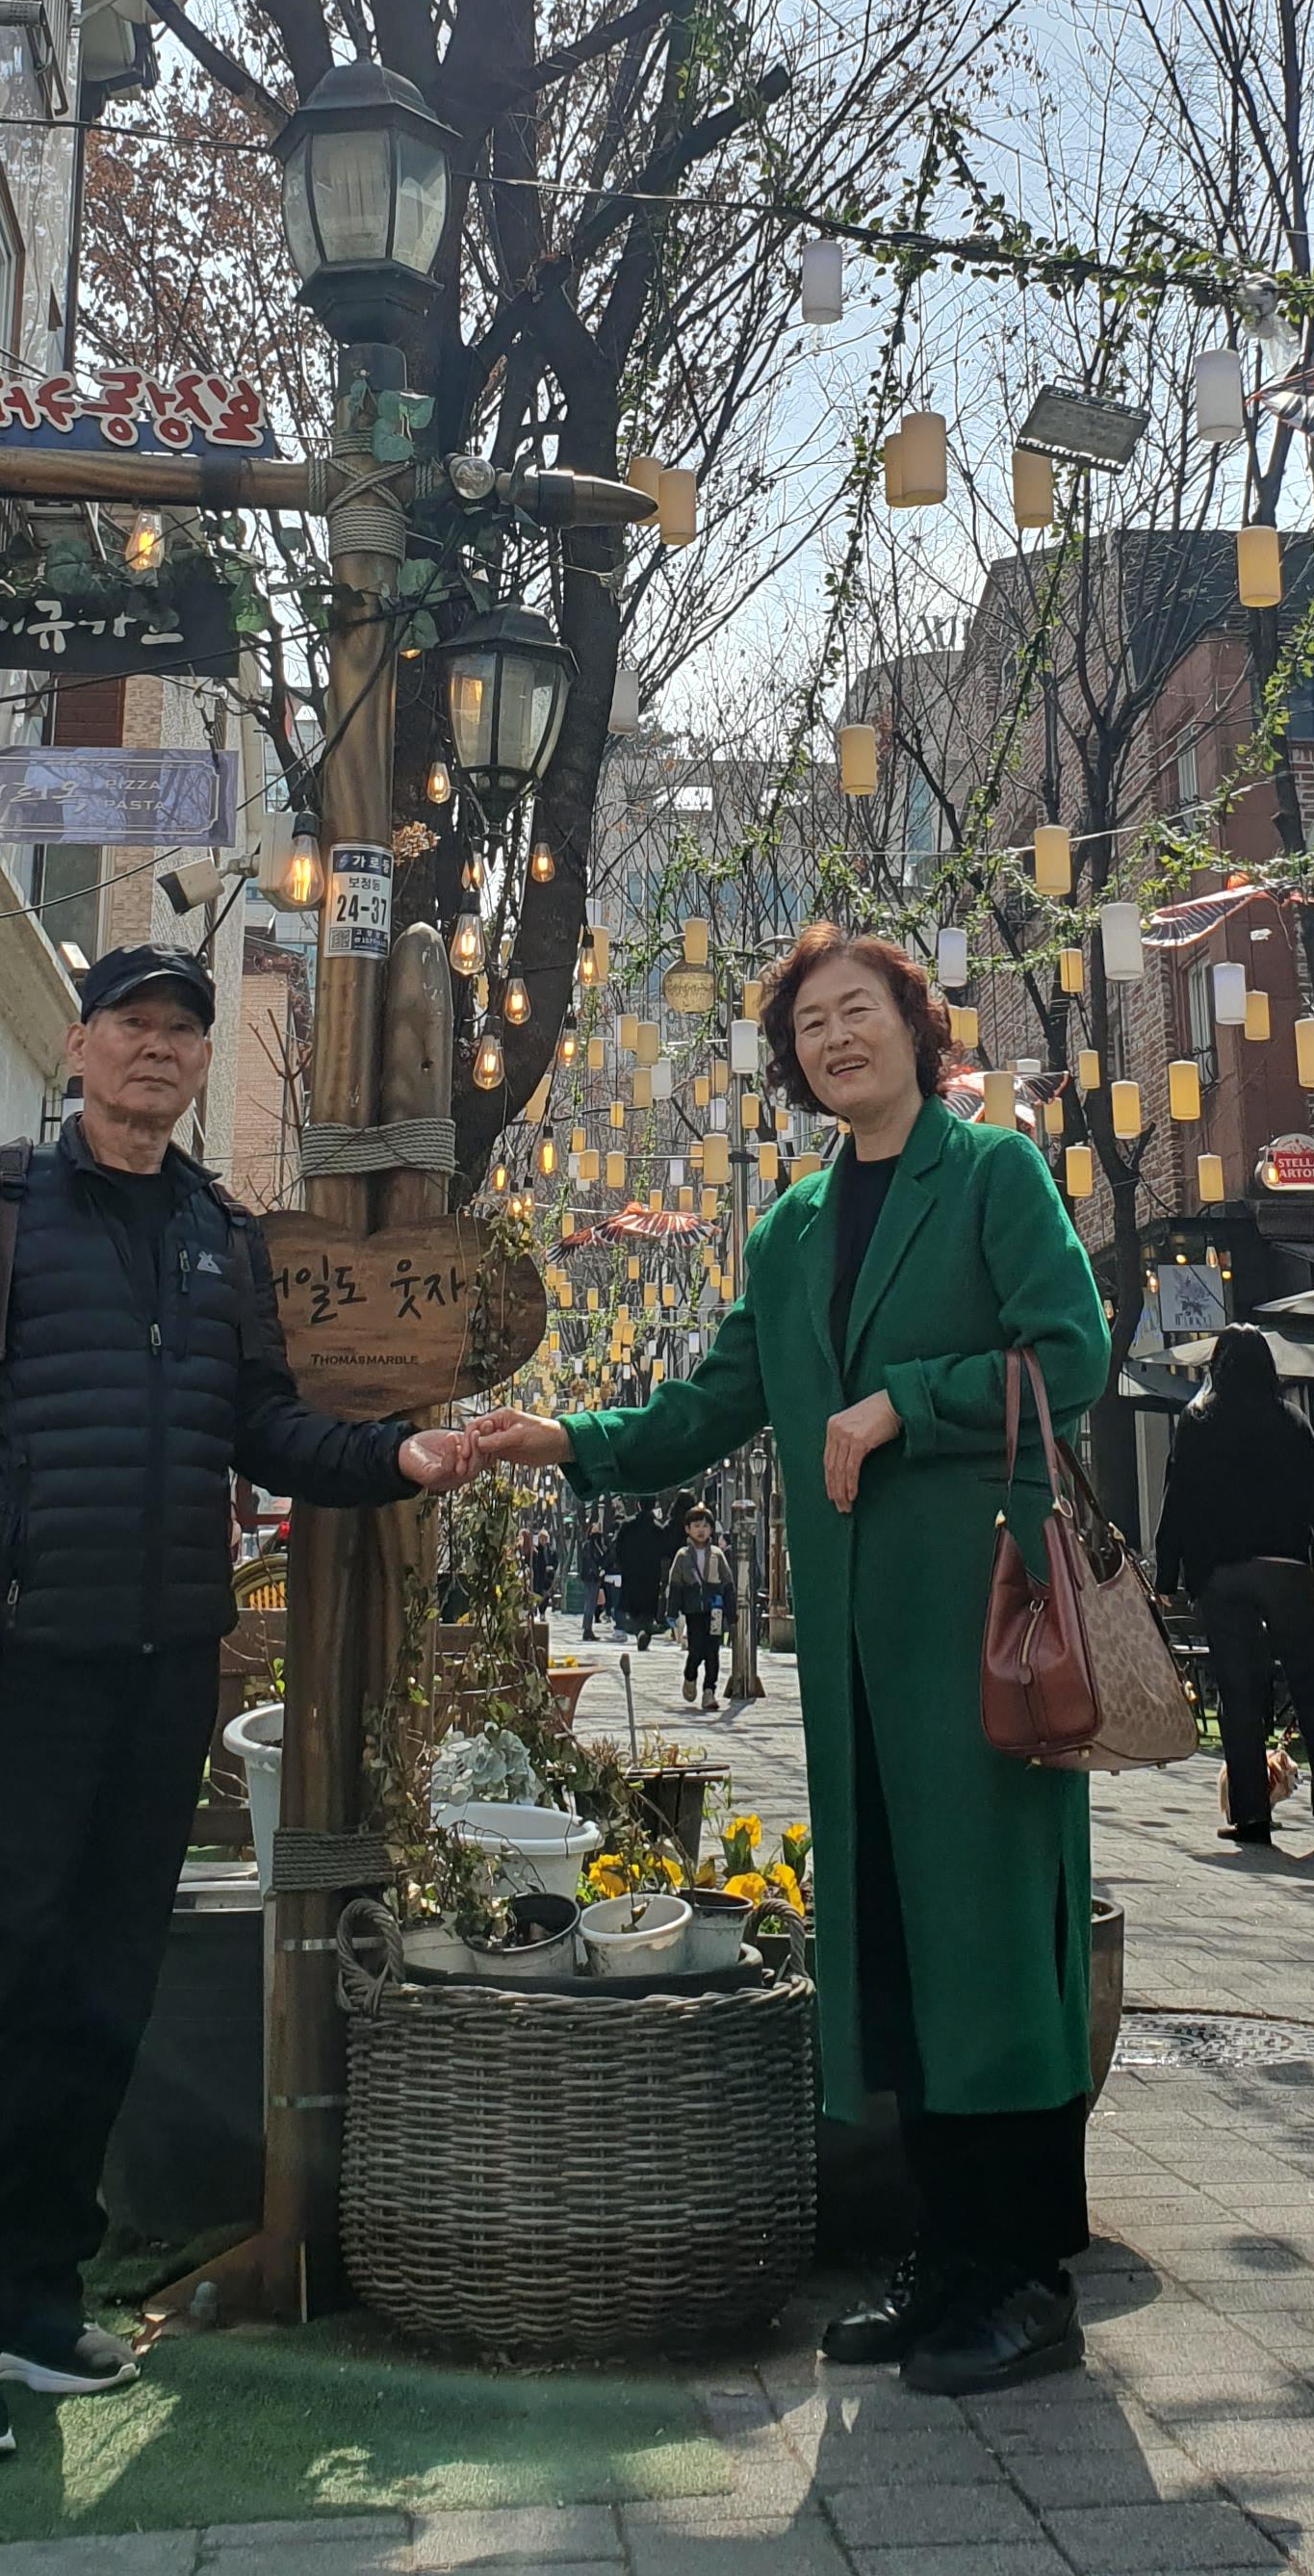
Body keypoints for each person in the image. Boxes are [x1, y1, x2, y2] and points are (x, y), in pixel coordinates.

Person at [474, 927, 1111, 2399]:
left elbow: (1070, 1356)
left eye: (858, 1011)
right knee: (897, 1948)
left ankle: (1024, 2277)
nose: (836, 1039)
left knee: (993, 1943)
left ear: (917, 1028)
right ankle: (947, 2259)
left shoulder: (994, 1176)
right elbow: (706, 1409)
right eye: (810, 1025)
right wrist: (563, 1438)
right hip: (854, 1659)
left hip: (984, 1635)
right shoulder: (791, 1229)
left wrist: (902, 1404)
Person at [0, 942, 476, 2470]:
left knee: (105, 1988)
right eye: (131, 1024)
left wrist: (392, 1458)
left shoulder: (218, 1235)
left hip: (165, 1665)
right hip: (24, 1663)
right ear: (78, 1046)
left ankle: (35, 2292)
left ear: (203, 1065)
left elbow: (258, 1425)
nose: (157, 1049)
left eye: (182, 1032)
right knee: (1, 1990)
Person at [1152, 1326, 1314, 1849]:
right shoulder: (1290, 1420)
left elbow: (1178, 1499)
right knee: (1311, 1683)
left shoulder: (1197, 1421)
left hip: (1219, 1571)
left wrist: (1167, 1575)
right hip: (1284, 1566)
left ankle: (1250, 1814)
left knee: (1238, 1693)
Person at [664, 1505, 735, 1710]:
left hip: (715, 1611)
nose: (701, 1530)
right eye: (696, 1526)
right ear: (688, 1529)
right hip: (693, 1611)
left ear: (711, 1529)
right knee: (695, 1649)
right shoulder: (682, 1556)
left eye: (705, 1526)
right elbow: (675, 1585)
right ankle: (690, 1676)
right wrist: (671, 1611)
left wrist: (731, 1612)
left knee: (713, 1651)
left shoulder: (717, 1555)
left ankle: (709, 1691)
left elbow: (727, 1583)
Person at [612, 1500, 671, 1648]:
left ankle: (640, 1632)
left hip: (631, 1575)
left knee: (634, 1610)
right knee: (648, 1610)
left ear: (638, 1504)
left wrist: (622, 1565)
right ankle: (644, 1632)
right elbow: (665, 1552)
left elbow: (617, 1548)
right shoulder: (658, 1528)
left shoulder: (627, 1525)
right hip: (651, 1576)